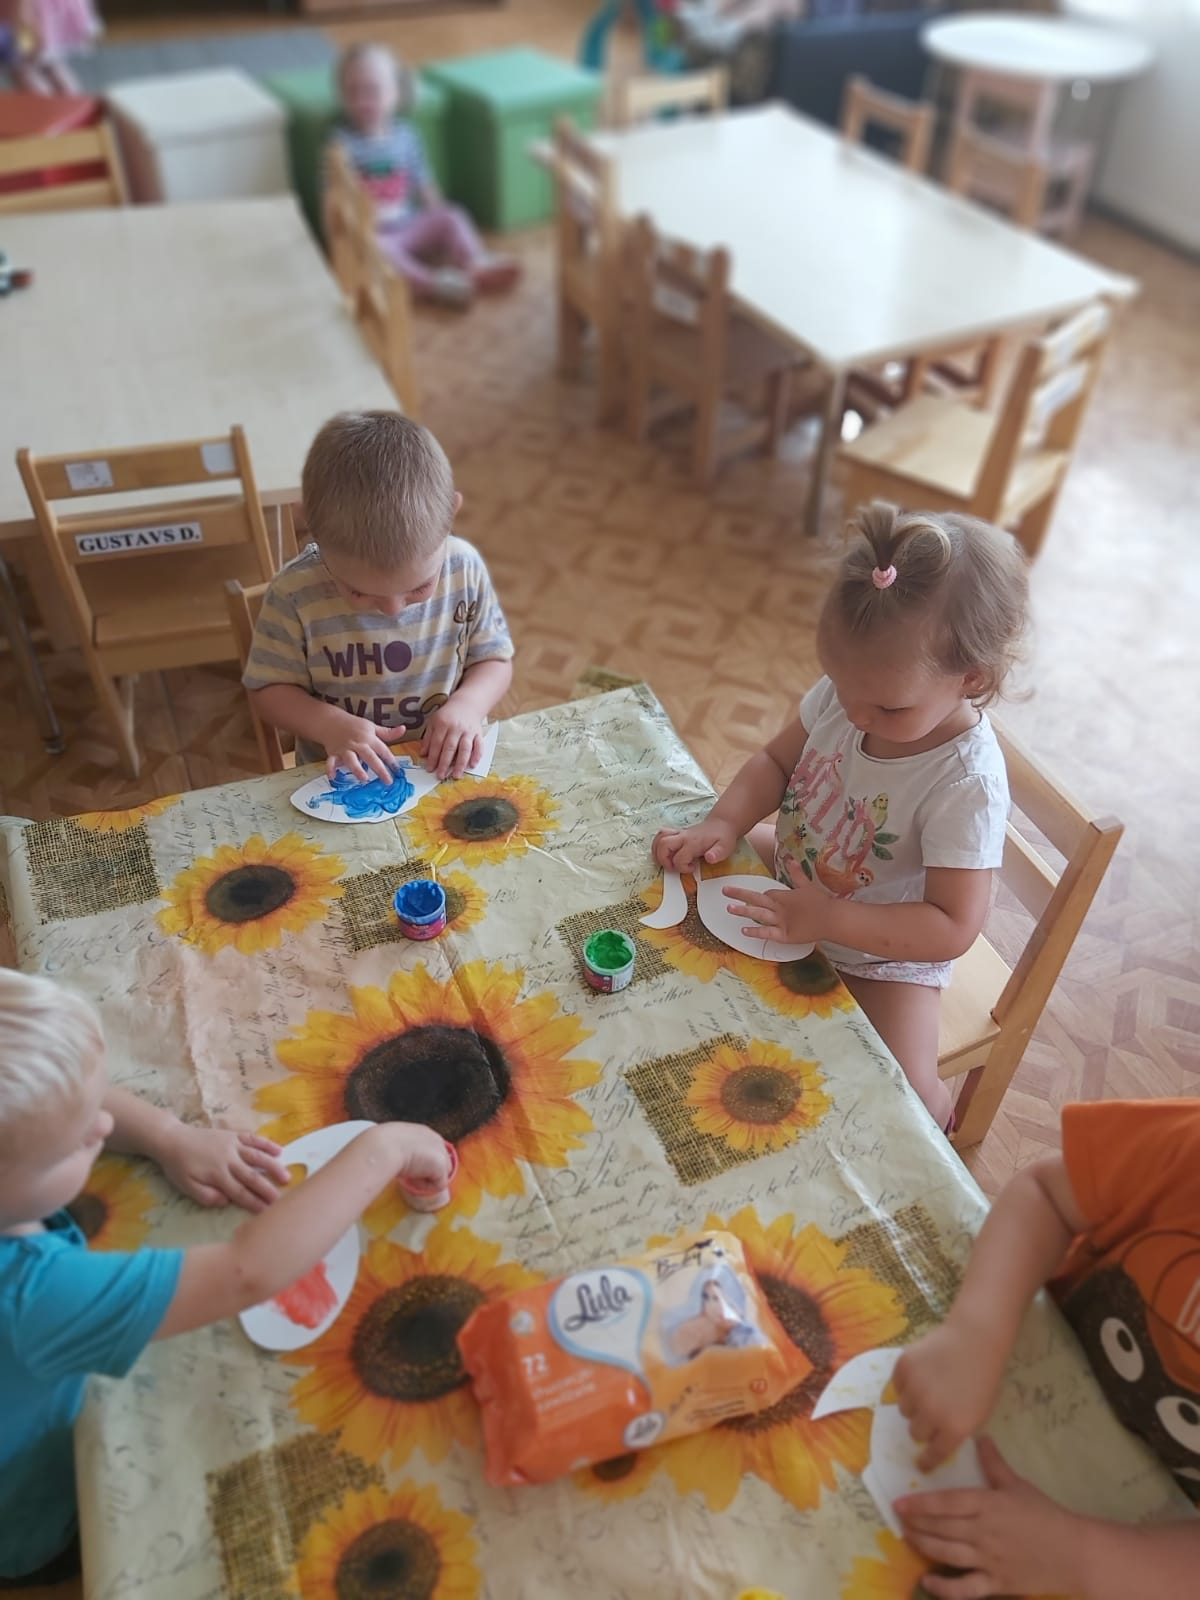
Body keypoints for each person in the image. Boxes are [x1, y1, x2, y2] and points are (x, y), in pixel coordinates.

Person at [0, 968, 451, 1588]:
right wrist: (386, 1148)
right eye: (75, 1143)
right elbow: (248, 1270)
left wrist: (166, 1135)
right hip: (33, 1506)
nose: (101, 1128)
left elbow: (64, 1100)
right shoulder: (32, 1298)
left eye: (95, 1105)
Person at [653, 503, 1029, 1131]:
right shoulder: (858, 691)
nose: (855, 716)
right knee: (674, 896)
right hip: (795, 870)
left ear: (972, 678)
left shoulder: (966, 784)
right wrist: (724, 823)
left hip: (885, 954)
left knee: (905, 1095)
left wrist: (829, 918)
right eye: (839, 685)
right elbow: (776, 761)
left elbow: (951, 925)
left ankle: (938, 1141)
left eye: (886, 708)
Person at [891, 1098, 1200, 1599]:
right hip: (1028, 1384)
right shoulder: (1189, 1145)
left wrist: (1080, 1559)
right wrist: (978, 1332)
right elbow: (1046, 1194)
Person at [244, 410, 514, 783]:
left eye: (419, 588)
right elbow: (267, 690)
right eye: (358, 592)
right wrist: (328, 724)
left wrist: (469, 705)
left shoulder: (464, 568)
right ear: (311, 527)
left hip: (443, 766)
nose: (392, 609)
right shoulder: (294, 595)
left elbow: (495, 659)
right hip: (345, 776)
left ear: (450, 515)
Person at [328, 41, 519, 309]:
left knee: (453, 215)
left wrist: (438, 213)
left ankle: (475, 262)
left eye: (372, 91)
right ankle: (432, 284)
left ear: (394, 93)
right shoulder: (341, 143)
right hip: (376, 236)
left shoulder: (407, 135)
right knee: (379, 253)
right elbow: (332, 196)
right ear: (342, 95)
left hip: (410, 225)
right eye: (353, 92)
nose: (362, 101)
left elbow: (424, 181)